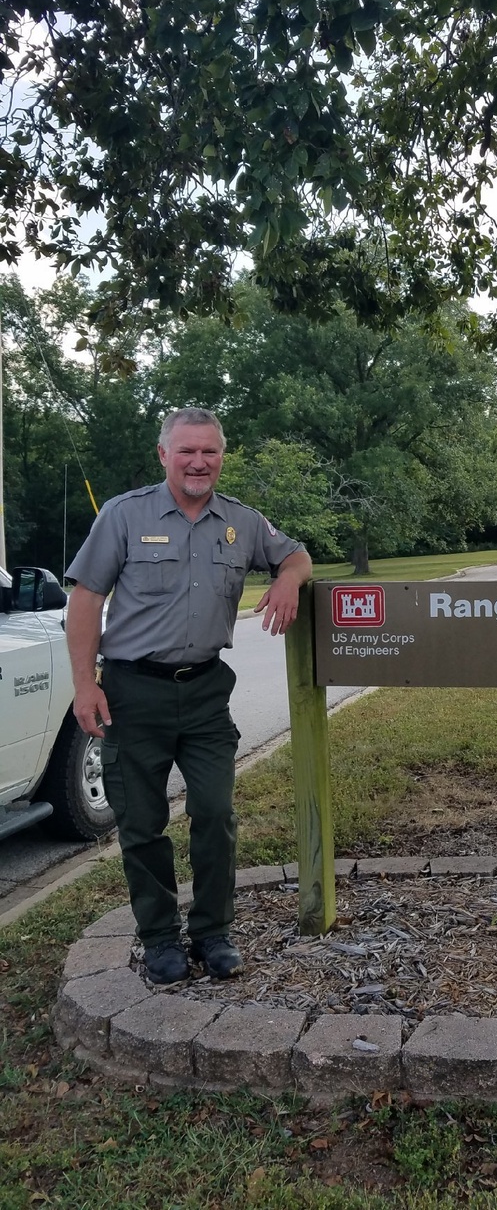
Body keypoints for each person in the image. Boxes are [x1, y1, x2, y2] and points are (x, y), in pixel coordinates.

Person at [66, 408, 312, 985]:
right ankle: (158, 939)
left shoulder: (242, 522)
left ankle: (212, 932)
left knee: (216, 813)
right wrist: (85, 684)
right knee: (143, 823)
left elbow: (296, 554)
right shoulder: (125, 517)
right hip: (132, 692)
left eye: (210, 451)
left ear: (222, 456)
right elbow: (85, 601)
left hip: (204, 693)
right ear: (164, 456)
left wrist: (286, 578)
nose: (198, 462)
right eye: (186, 451)